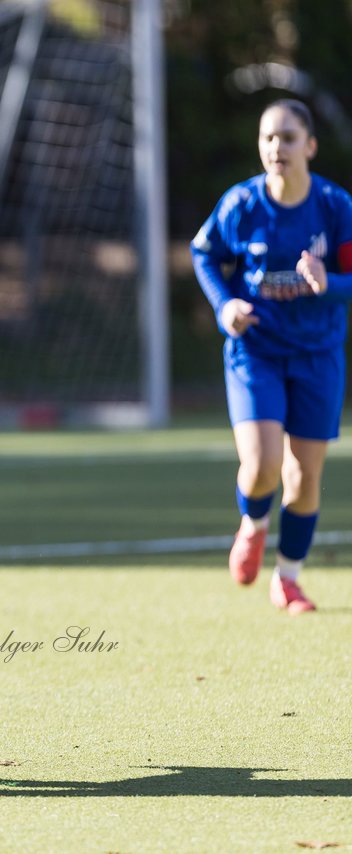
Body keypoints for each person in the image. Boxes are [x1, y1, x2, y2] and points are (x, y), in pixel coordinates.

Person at [191, 98, 352, 614]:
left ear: (310, 145)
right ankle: (254, 523)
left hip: (317, 354)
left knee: (304, 480)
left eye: (286, 136)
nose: (275, 147)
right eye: (267, 138)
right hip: (255, 351)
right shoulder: (241, 204)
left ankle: (288, 579)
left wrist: (330, 284)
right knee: (261, 468)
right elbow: (205, 255)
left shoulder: (335, 207)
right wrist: (225, 305)